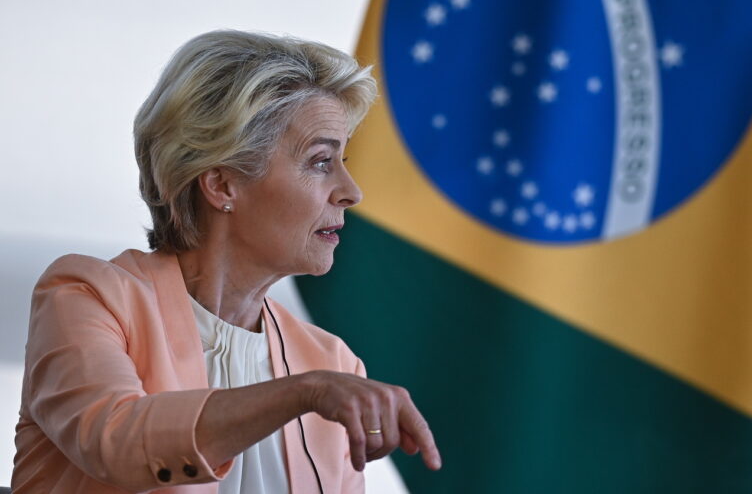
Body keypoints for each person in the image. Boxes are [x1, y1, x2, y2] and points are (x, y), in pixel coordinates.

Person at [12, 30, 441, 494]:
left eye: (343, 161)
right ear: (221, 185)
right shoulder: (87, 296)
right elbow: (116, 442)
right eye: (320, 161)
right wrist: (304, 392)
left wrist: (317, 383)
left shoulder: (333, 361)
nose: (351, 192)